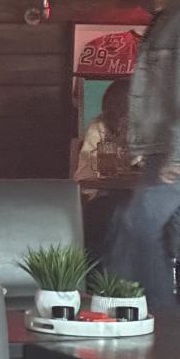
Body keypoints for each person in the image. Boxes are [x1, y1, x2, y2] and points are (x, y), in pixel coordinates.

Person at [107, 0, 180, 307]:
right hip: (165, 152)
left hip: (173, 154)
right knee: (164, 238)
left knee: (135, 226)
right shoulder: (166, 19)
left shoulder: (175, 21)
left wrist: (177, 155)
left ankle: (138, 313)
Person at [75, 77, 131, 263]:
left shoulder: (152, 129)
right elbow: (96, 170)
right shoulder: (99, 128)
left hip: (140, 196)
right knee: (117, 213)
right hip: (101, 196)